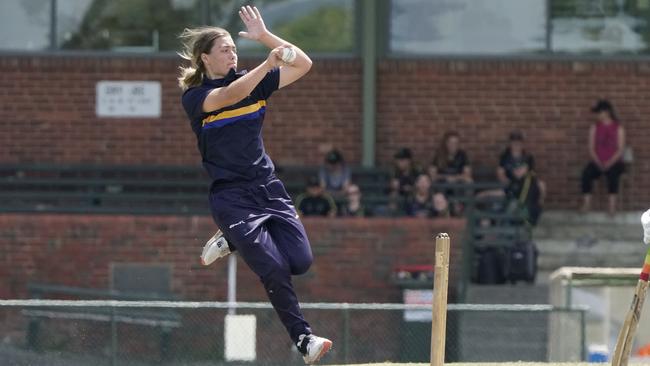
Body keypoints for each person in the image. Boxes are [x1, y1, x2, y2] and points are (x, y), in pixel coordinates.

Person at [178, 6, 331, 364]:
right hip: (231, 197)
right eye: (225, 49)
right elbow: (230, 96)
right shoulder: (195, 97)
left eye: (234, 47)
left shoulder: (255, 80)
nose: (232, 52)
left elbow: (304, 64)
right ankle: (304, 340)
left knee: (300, 261)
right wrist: (268, 63)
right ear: (205, 58)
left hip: (269, 188)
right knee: (273, 268)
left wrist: (265, 38)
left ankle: (229, 238)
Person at [580, 100, 626, 215]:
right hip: (598, 161)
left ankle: (612, 207)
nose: (597, 115)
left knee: (613, 174)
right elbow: (591, 148)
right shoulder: (594, 128)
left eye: (598, 112)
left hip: (614, 162)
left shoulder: (618, 128)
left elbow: (620, 149)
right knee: (586, 173)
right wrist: (598, 162)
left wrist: (609, 163)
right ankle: (586, 204)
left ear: (606, 112)